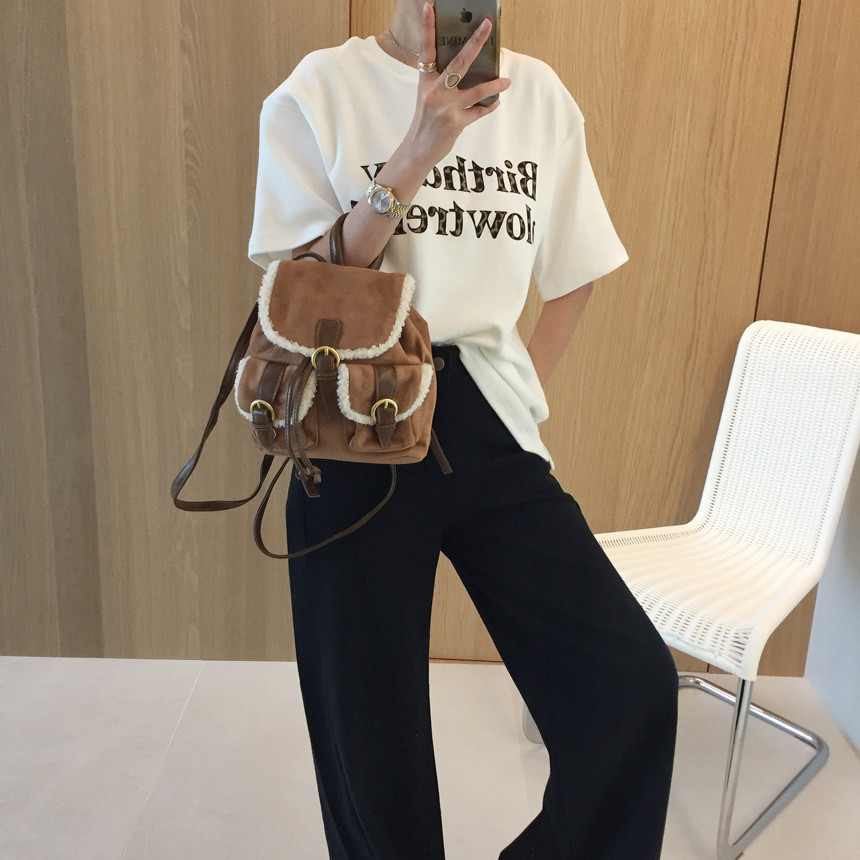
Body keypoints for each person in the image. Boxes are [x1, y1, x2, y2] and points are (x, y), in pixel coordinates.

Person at [248, 2, 678, 857]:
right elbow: (301, 289)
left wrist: (520, 391)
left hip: (485, 418)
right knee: (372, 751)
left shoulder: (538, 96)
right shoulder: (318, 90)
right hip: (350, 430)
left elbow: (577, 272)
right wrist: (413, 155)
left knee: (629, 691)